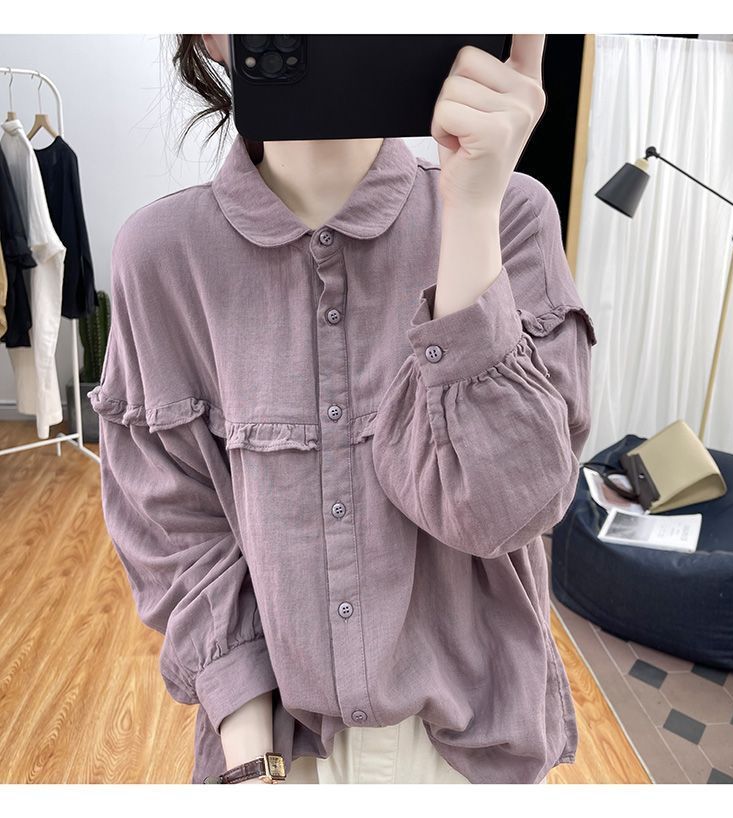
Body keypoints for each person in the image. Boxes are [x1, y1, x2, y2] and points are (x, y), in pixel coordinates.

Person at [88, 33, 597, 785]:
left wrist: (469, 214)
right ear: (206, 33)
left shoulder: (511, 216)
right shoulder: (160, 256)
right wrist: (253, 761)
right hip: (278, 752)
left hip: (474, 753)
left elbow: (503, 513)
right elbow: (175, 528)